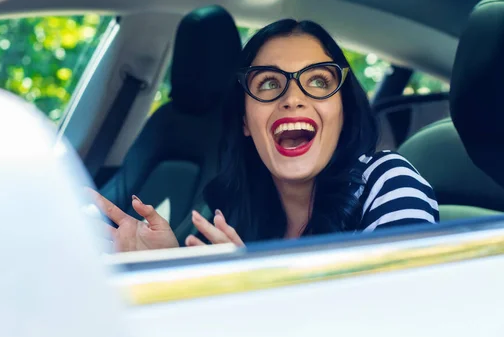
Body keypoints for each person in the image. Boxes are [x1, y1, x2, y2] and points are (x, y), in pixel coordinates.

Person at [90, 19, 439, 252]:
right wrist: (170, 268)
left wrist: (252, 287)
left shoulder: (388, 180)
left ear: (343, 110)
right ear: (245, 120)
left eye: (318, 81)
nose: (293, 98)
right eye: (269, 84)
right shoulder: (230, 209)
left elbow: (402, 314)